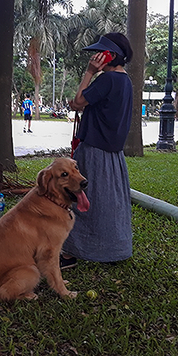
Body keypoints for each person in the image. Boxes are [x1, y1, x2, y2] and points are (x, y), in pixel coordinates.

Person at [60, 32, 134, 269]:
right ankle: (113, 250)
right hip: (113, 154)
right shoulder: (125, 80)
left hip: (94, 149)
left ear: (110, 56)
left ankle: (70, 254)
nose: (95, 58)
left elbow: (79, 101)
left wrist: (90, 72)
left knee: (81, 199)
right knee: (110, 202)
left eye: (99, 54)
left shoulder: (107, 79)